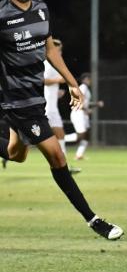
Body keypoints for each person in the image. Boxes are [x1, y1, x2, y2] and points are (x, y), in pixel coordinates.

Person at [0, 0, 123, 239]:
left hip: (35, 98)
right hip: (16, 100)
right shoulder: (2, 17)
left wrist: (72, 83)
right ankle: (94, 220)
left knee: (17, 155)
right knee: (56, 156)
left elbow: (49, 50)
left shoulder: (41, 9)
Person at [44, 38, 81, 174]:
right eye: (58, 49)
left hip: (52, 106)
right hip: (48, 107)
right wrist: (57, 80)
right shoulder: (47, 63)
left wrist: (57, 92)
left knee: (59, 135)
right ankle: (63, 167)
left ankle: (64, 166)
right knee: (52, 136)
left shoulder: (54, 63)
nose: (60, 51)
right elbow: (41, 80)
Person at [66, 73, 103, 160]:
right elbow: (78, 99)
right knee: (81, 135)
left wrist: (95, 105)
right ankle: (61, 138)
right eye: (89, 79)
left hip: (82, 114)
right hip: (78, 113)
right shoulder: (83, 87)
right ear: (85, 79)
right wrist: (85, 109)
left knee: (86, 136)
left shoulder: (85, 88)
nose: (90, 81)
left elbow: (85, 103)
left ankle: (79, 155)